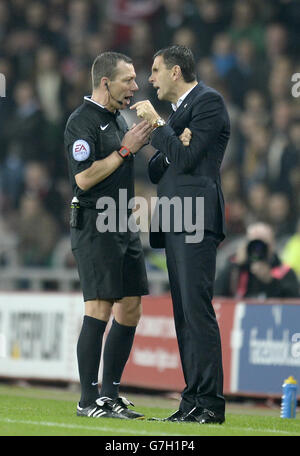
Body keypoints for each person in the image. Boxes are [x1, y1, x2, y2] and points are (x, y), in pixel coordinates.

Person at [130, 45, 230, 424]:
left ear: (176, 72)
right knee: (184, 314)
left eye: (155, 71)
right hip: (174, 219)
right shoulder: (178, 116)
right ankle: (192, 400)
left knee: (196, 310)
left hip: (196, 218)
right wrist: (171, 135)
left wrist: (159, 126)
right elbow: (158, 167)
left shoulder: (209, 102)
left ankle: (209, 404)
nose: (150, 79)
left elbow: (185, 159)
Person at [64, 52, 153, 420]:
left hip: (122, 223)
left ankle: (110, 393)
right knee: (99, 307)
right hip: (94, 225)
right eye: (128, 80)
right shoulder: (81, 122)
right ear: (105, 82)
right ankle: (87, 400)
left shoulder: (119, 118)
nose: (135, 86)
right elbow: (83, 178)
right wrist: (125, 148)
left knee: (131, 307)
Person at [215, 222, 299, 298]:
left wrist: (271, 281)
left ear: (272, 245)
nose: (258, 249)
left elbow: (293, 304)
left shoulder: (284, 271)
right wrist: (236, 266)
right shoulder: (235, 268)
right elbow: (216, 296)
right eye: (254, 244)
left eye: (263, 244)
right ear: (246, 244)